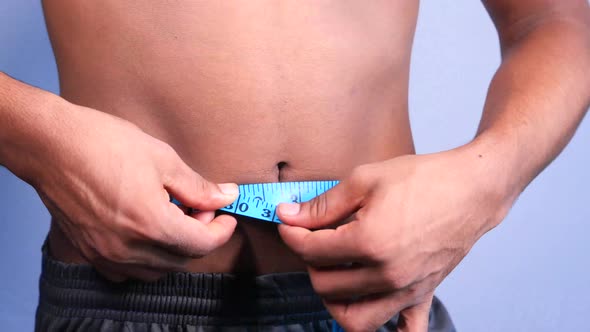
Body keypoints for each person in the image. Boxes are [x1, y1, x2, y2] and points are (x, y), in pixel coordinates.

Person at [1, 0, 589, 331]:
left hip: (376, 301)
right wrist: (36, 140)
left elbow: (561, 20)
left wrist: (485, 184)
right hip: (126, 297)